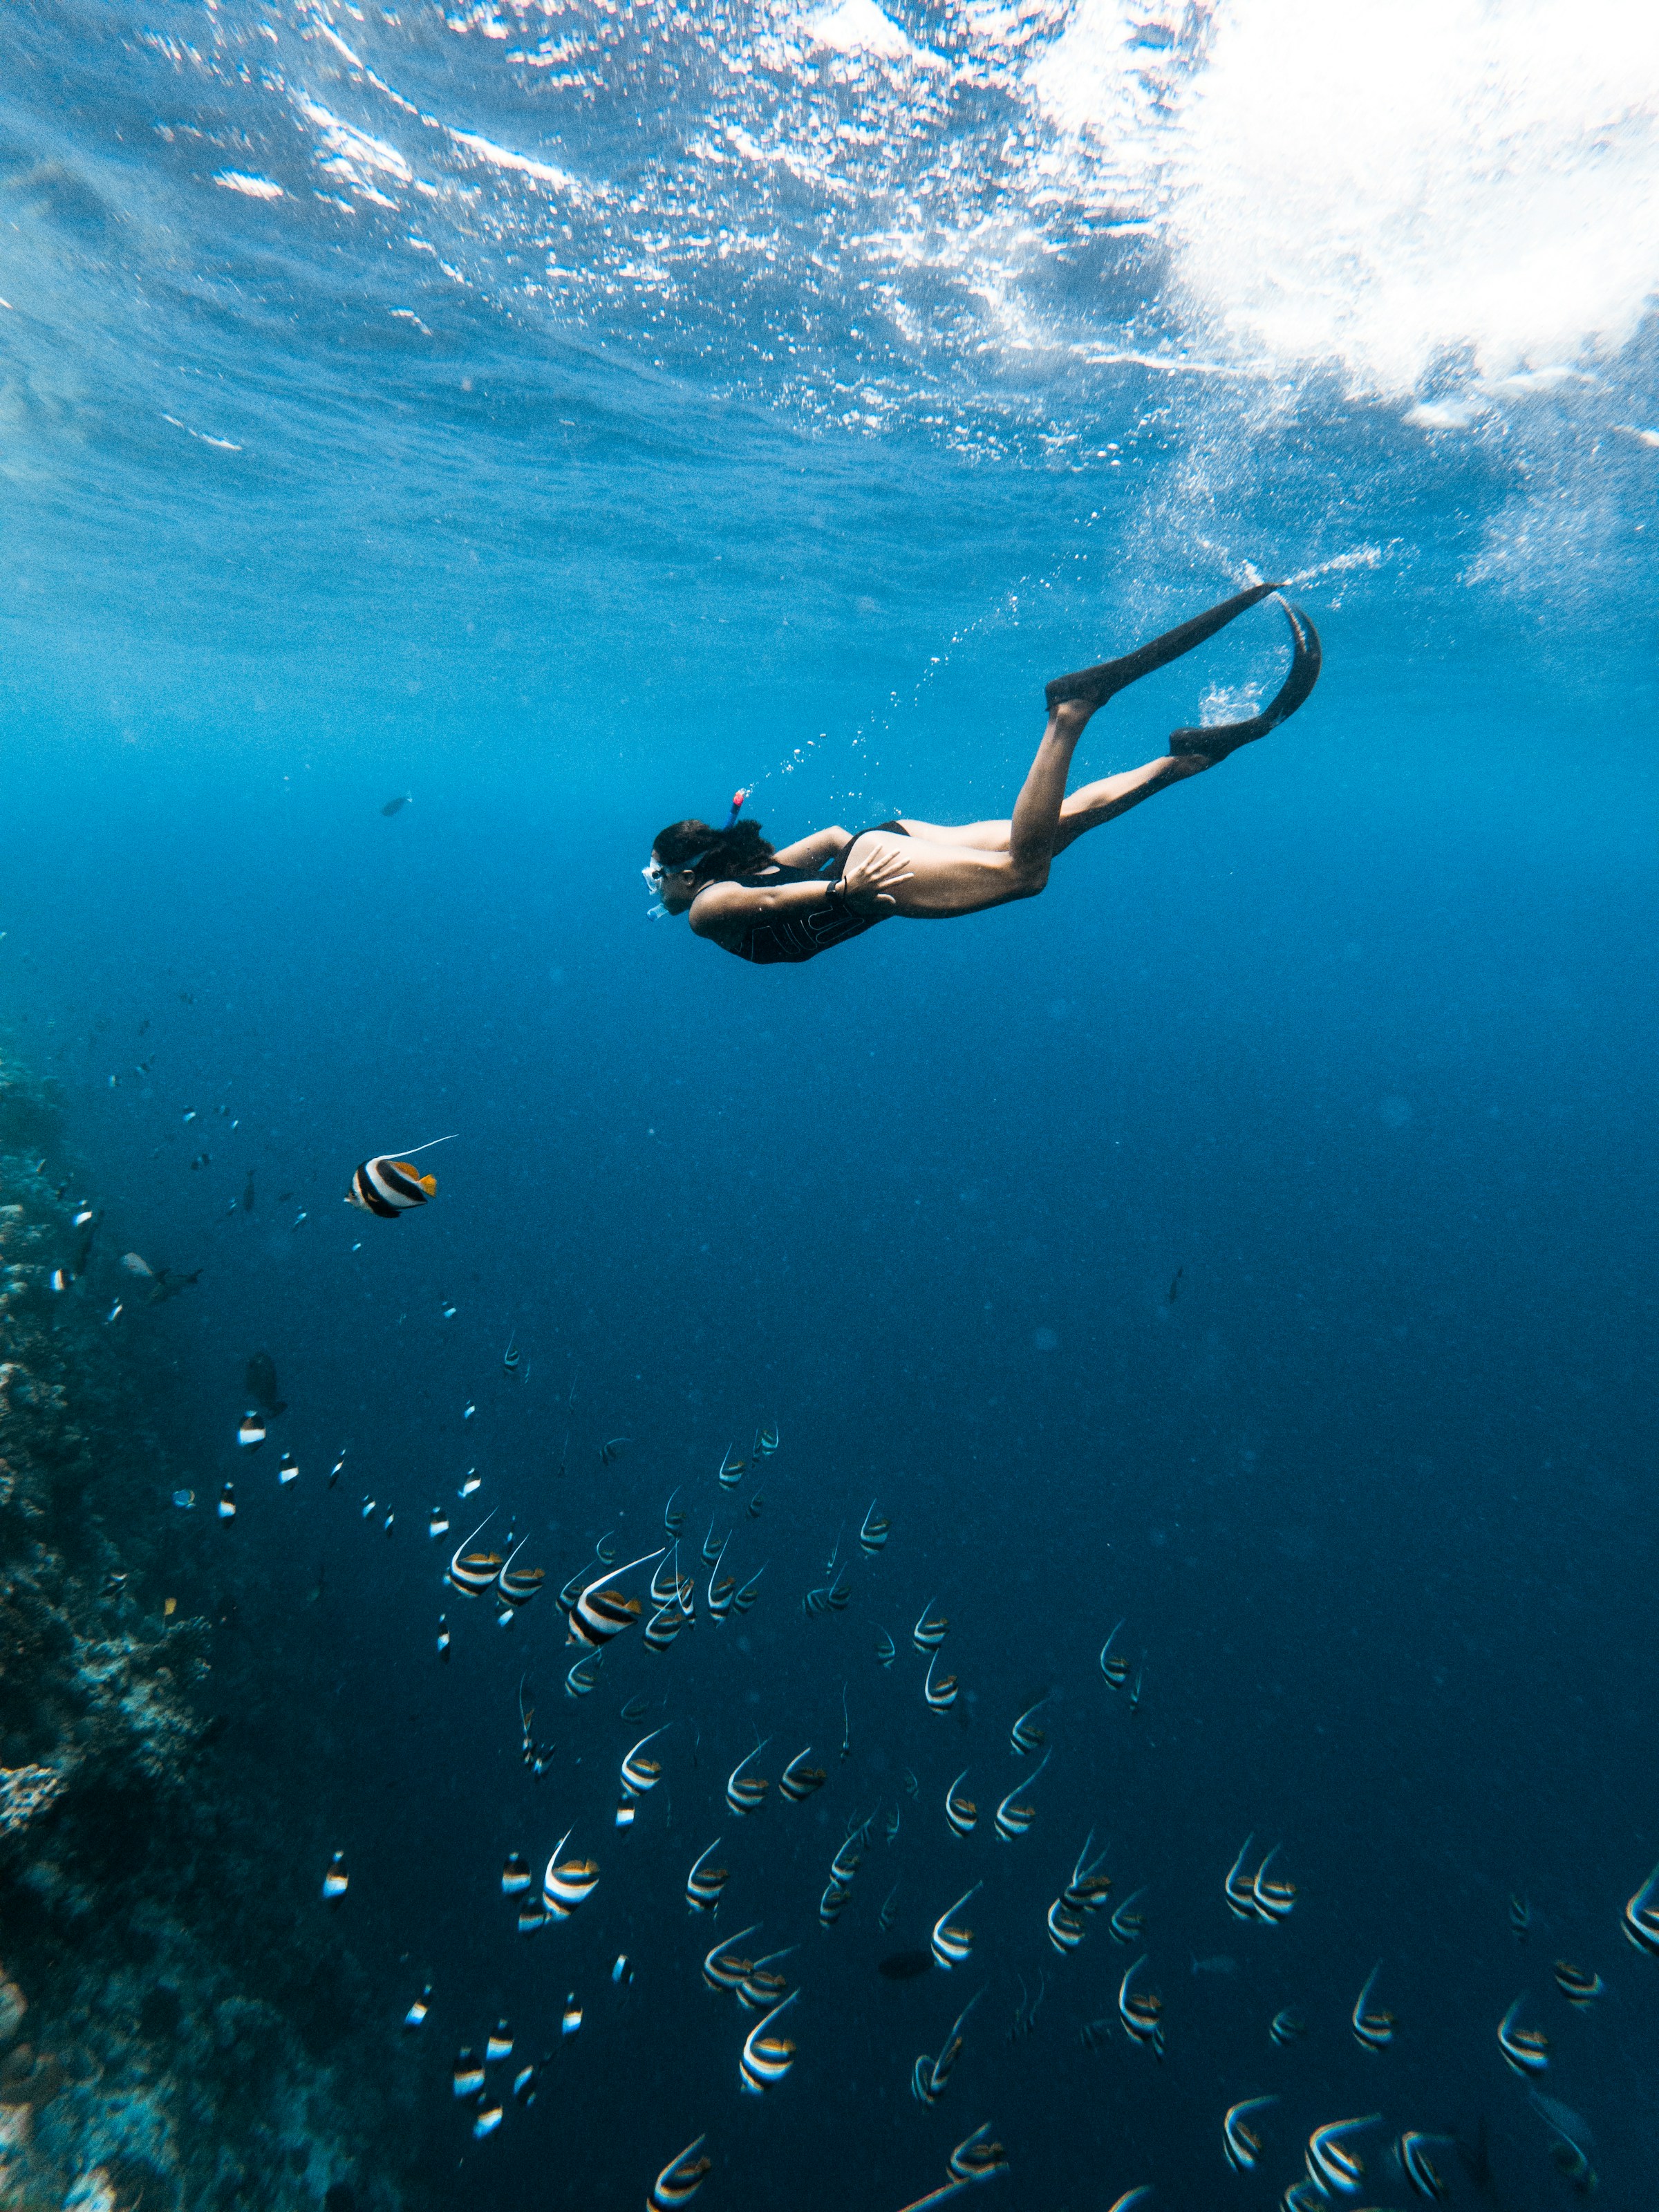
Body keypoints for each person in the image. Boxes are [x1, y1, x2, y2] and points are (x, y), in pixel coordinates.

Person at [644, 583, 1320, 966]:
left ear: (687, 873)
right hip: (882, 846)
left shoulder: (706, 909)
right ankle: (1185, 759)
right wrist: (849, 866)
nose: (657, 892)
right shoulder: (741, 873)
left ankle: (1069, 714)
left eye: (656, 876)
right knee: (1051, 832)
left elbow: (763, 905)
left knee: (1026, 875)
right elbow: (823, 839)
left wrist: (845, 889)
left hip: (872, 871)